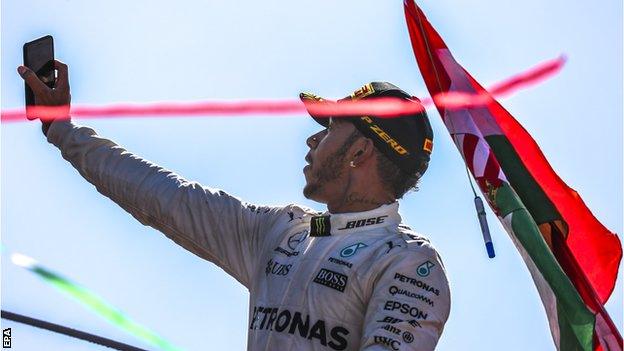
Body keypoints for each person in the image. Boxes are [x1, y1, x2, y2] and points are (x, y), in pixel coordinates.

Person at [18, 61, 451, 351]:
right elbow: (164, 197)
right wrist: (62, 130)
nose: (313, 140)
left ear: (360, 153)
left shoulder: (409, 262)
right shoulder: (286, 231)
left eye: (330, 129)